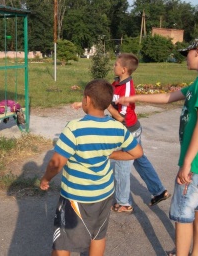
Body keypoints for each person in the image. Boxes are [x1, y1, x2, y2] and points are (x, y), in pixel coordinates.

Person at [118, 36, 198, 256]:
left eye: (187, 53)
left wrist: (187, 162)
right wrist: (133, 98)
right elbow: (168, 96)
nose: (186, 58)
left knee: (183, 214)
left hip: (196, 160)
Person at [40, 79, 143, 256]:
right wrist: (108, 153)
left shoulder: (75, 128)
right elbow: (137, 153)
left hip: (76, 196)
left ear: (87, 100)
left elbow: (56, 163)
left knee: (63, 242)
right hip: (104, 193)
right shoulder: (117, 128)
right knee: (97, 235)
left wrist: (45, 179)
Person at [72, 53, 170, 213]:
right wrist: (82, 102)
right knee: (139, 159)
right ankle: (159, 191)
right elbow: (103, 99)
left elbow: (121, 118)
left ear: (124, 69)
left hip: (129, 131)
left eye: (116, 64)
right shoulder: (116, 83)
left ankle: (124, 203)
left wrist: (108, 116)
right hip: (131, 128)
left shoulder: (127, 88)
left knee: (122, 166)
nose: (113, 66)